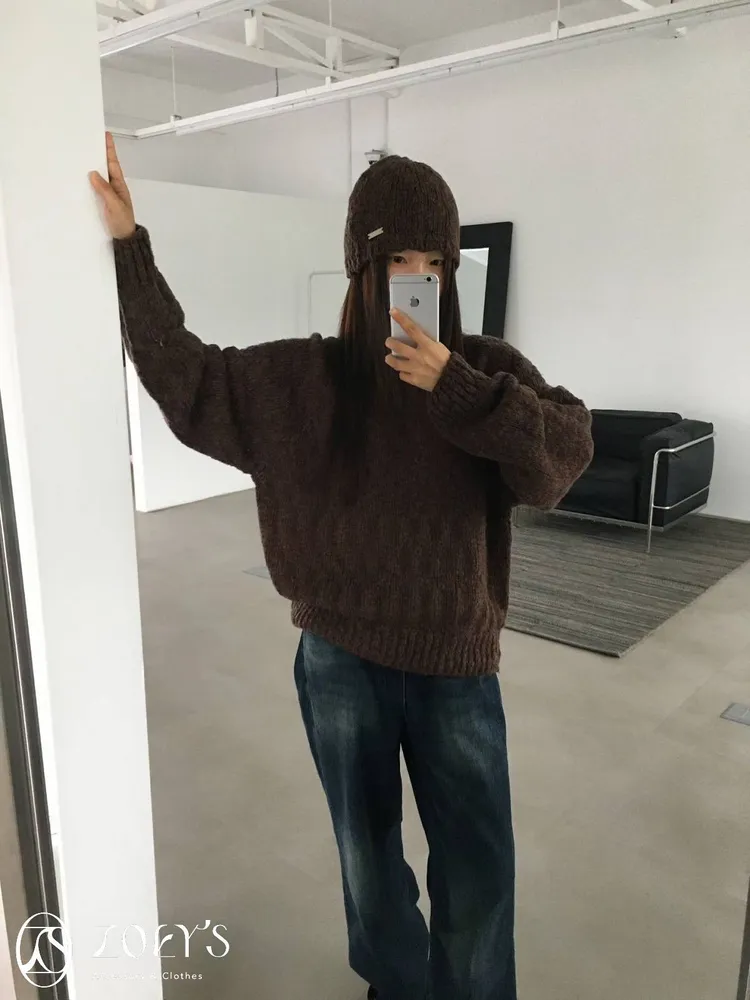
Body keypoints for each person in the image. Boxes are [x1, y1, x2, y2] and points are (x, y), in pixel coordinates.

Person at [90, 133, 593, 1000]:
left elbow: (562, 460)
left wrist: (457, 388)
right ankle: (394, 986)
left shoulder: (487, 371)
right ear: (362, 266)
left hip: (456, 663)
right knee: (369, 862)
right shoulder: (305, 380)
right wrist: (131, 248)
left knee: (479, 867)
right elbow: (189, 380)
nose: (418, 277)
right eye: (398, 259)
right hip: (340, 660)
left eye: (434, 261)